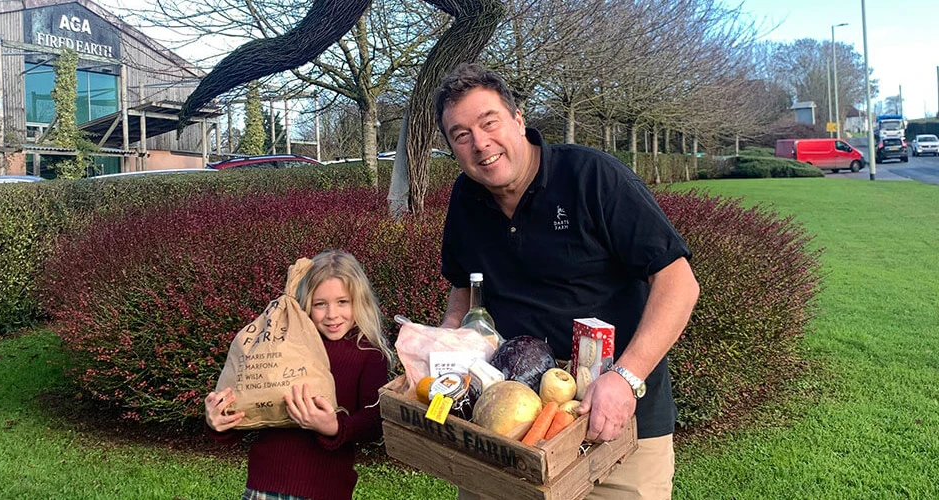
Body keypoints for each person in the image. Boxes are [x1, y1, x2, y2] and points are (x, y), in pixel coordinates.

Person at [434, 63, 699, 500]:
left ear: (518, 120)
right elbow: (464, 287)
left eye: (489, 122)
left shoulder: (592, 177)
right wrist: (446, 343)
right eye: (461, 135)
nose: (480, 143)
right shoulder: (466, 197)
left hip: (615, 430)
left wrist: (625, 378)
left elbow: (678, 282)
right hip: (508, 434)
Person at [204, 250, 394, 500]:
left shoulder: (369, 354)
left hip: (324, 491)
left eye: (342, 302)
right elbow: (256, 406)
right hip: (264, 485)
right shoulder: (282, 345)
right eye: (320, 304)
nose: (332, 314)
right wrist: (220, 422)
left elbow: (375, 421)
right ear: (305, 303)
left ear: (360, 301)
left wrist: (335, 426)